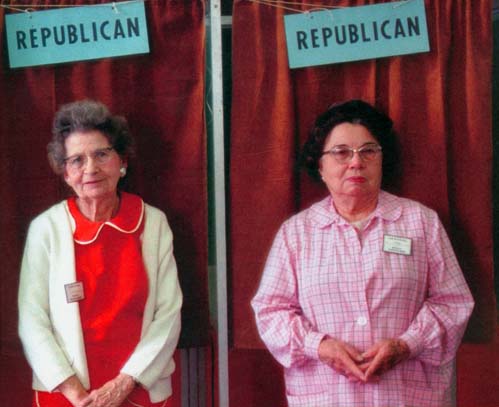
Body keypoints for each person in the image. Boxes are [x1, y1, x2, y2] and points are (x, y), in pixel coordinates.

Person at [251, 99, 474, 407]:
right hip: (327, 395)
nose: (356, 162)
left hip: (407, 395)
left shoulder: (421, 222)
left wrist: (408, 344)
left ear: (383, 160)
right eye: (341, 152)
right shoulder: (296, 233)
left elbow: (454, 302)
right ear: (320, 165)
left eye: (368, 151)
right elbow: (270, 311)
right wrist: (319, 345)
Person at [18, 100, 182, 407]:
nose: (90, 168)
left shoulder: (154, 223)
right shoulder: (45, 229)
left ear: (122, 162)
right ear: (65, 173)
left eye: (101, 154)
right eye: (77, 160)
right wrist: (77, 396)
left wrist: (122, 385)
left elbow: (168, 315)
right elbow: (32, 320)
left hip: (139, 391)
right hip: (65, 396)